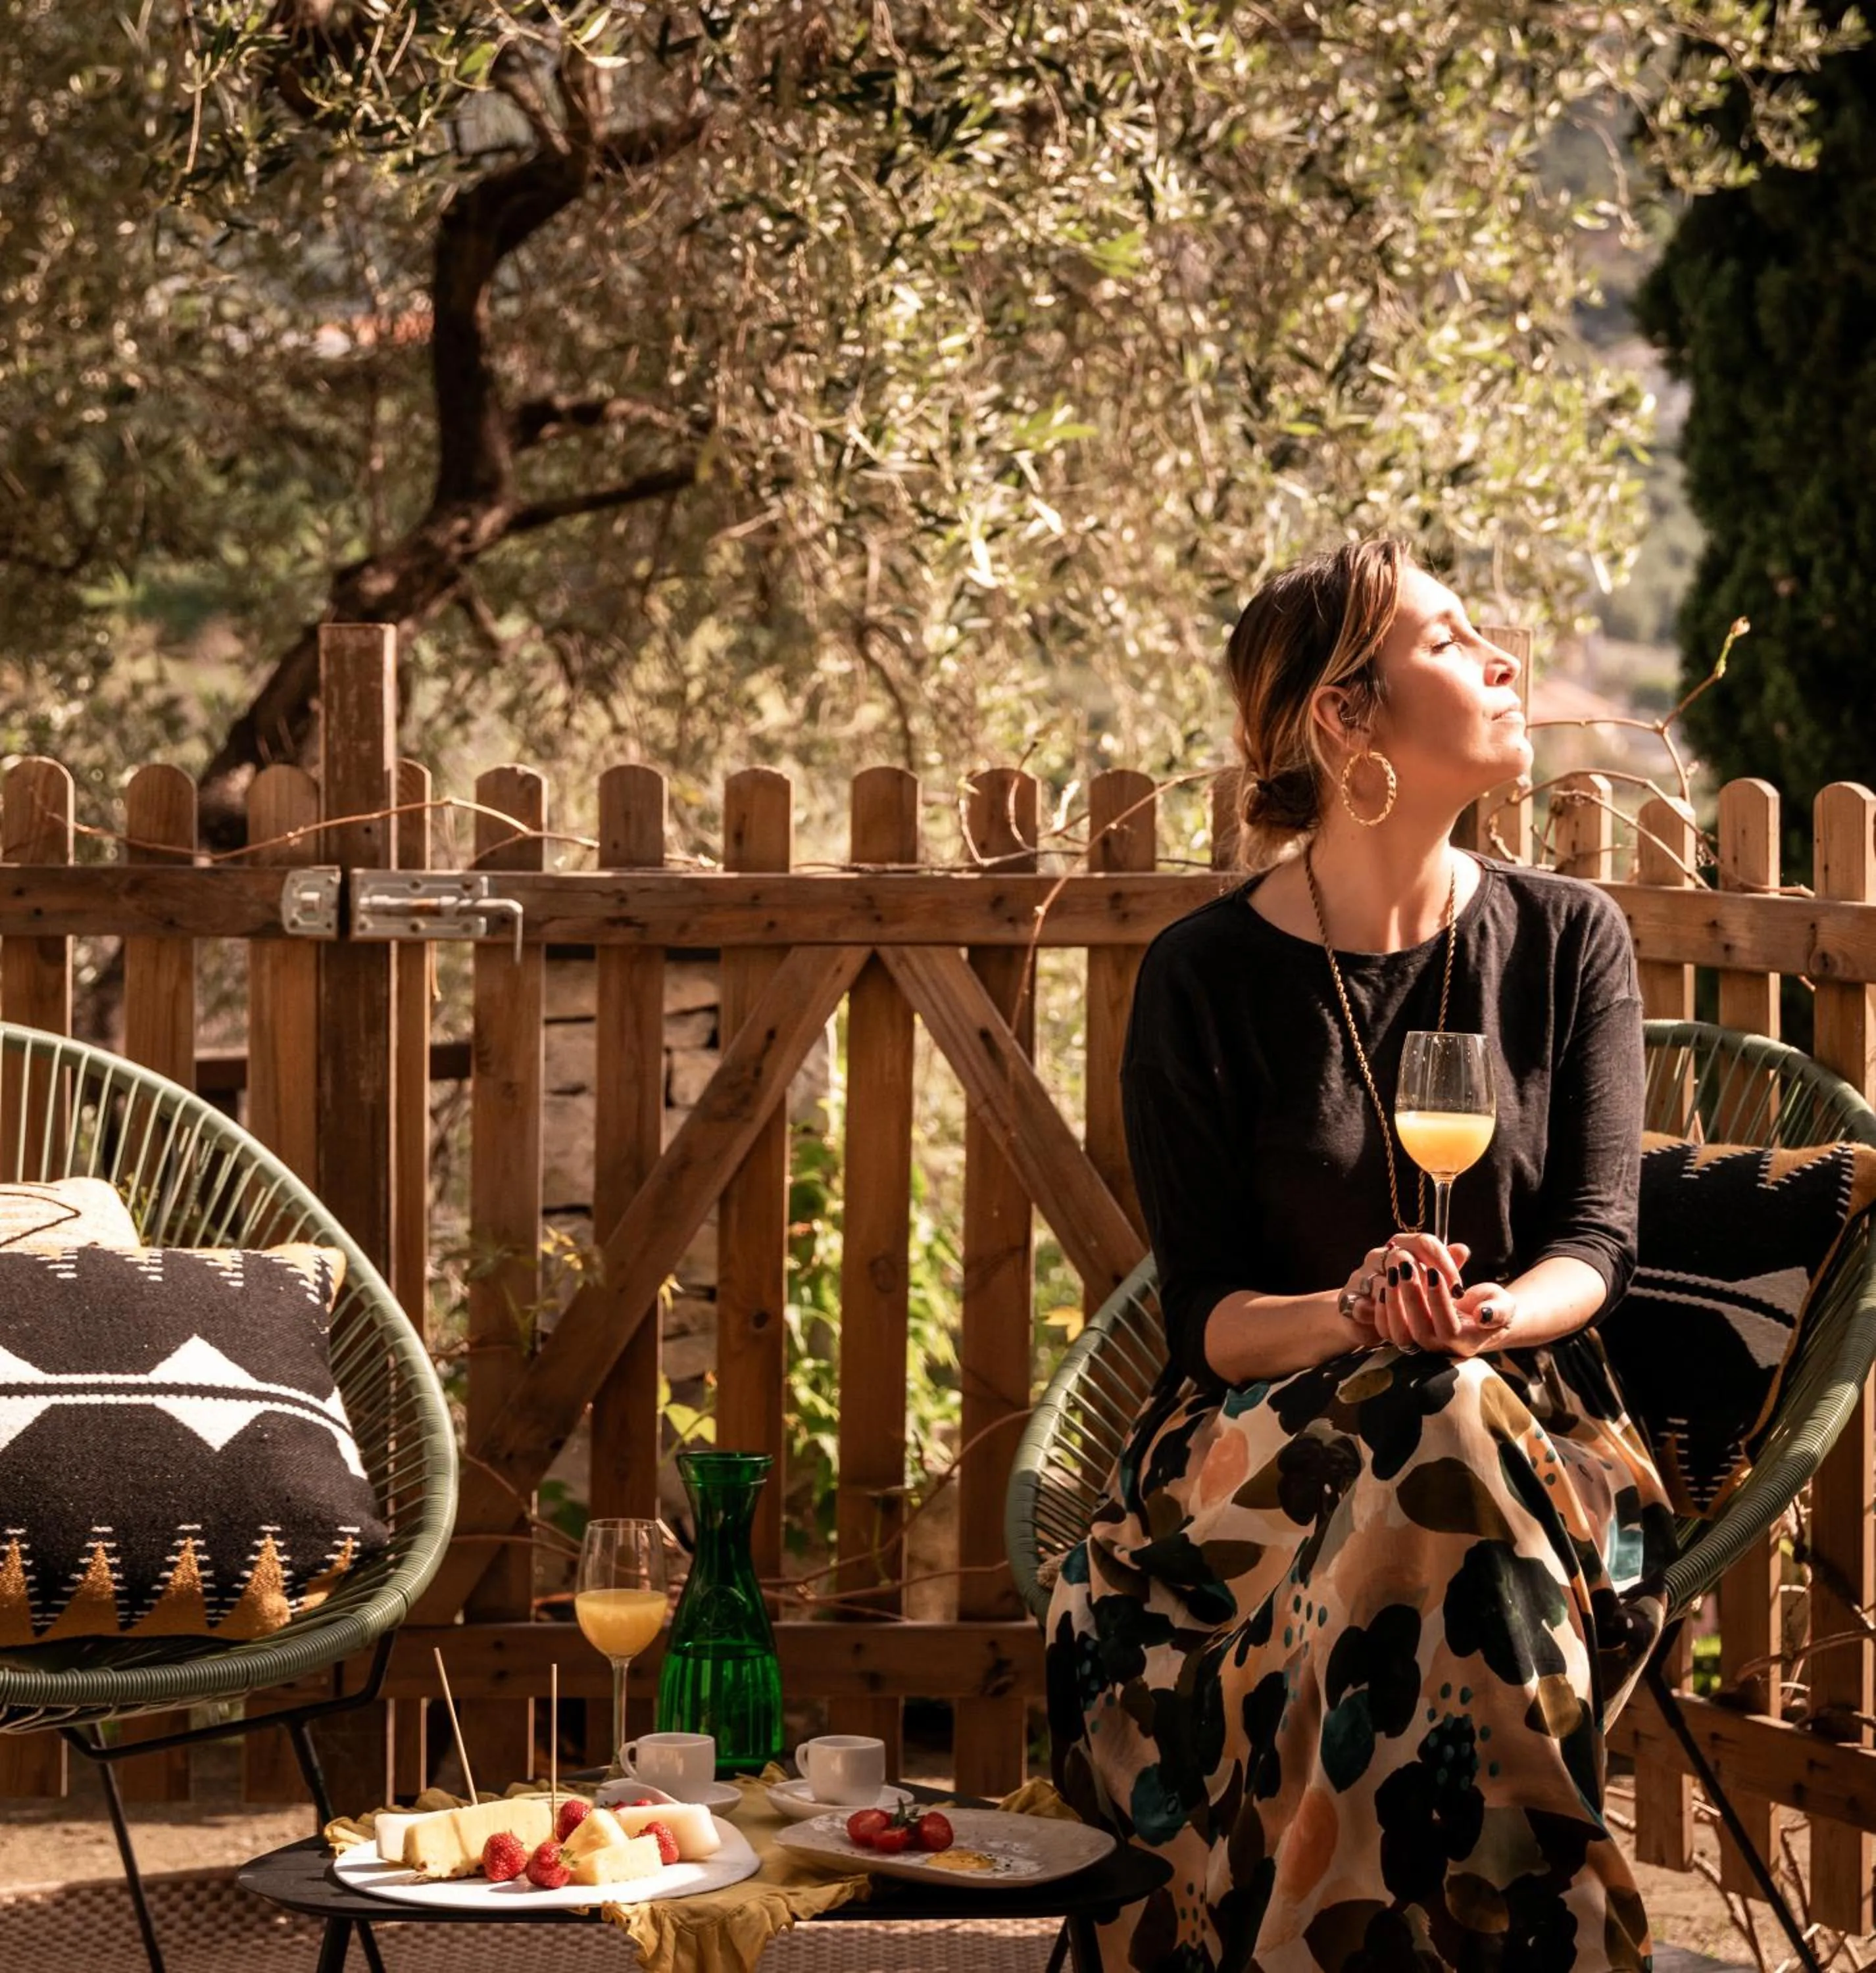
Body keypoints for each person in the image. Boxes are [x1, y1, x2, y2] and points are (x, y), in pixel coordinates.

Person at [1044, 537, 1679, 1972]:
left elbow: (1596, 1245)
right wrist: (1351, 1312)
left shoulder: (1568, 939)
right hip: (1261, 1458)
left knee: (1444, 1413)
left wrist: (1484, 1318)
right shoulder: (1204, 975)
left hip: (1532, 1438)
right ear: (1344, 715)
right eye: (1449, 641)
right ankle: (1547, 1936)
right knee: (1421, 1428)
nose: (1504, 660)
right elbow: (1207, 1317)